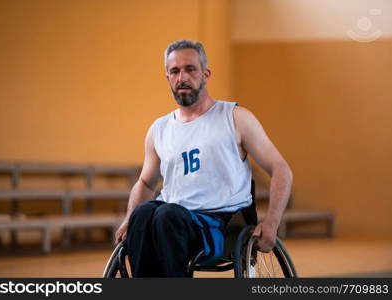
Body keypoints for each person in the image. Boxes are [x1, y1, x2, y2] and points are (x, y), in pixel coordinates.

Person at [114, 40, 292, 277]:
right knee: (144, 214)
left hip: (222, 222)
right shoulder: (159, 129)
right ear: (167, 78)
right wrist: (130, 220)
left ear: (206, 74)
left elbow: (281, 169)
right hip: (171, 220)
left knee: (168, 215)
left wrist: (271, 223)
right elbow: (146, 183)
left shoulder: (235, 118)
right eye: (175, 71)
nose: (182, 77)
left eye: (190, 69)